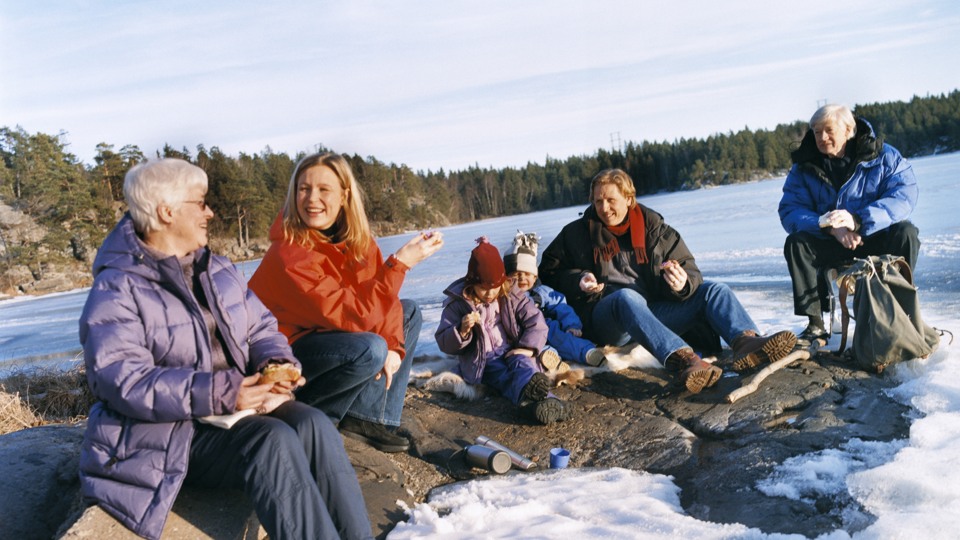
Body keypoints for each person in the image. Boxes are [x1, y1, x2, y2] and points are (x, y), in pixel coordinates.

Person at [78, 158, 371, 540]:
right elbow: (122, 382)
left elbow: (261, 327)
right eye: (200, 203)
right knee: (271, 441)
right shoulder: (116, 290)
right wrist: (223, 393)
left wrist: (275, 363)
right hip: (167, 437)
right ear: (167, 212)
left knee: (313, 425)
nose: (210, 212)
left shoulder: (215, 269)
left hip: (229, 415)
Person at [249, 152, 443, 453]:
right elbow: (355, 317)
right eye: (304, 188)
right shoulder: (290, 254)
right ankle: (319, 416)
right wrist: (400, 264)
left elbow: (381, 298)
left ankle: (371, 418)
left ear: (344, 196)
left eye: (324, 189)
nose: (312, 198)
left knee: (408, 313)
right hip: (285, 352)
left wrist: (395, 344)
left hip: (328, 333)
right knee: (370, 348)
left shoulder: (358, 241)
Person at [539, 168, 797, 393]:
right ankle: (684, 360)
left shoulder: (655, 229)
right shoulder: (576, 233)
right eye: (597, 202)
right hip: (607, 318)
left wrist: (682, 284)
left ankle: (746, 343)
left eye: (610, 200)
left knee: (714, 290)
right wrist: (578, 280)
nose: (603, 208)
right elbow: (548, 272)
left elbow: (691, 271)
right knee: (627, 297)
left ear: (629, 199)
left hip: (652, 312)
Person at [779, 103, 920, 343]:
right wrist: (826, 225)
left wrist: (859, 220)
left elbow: (904, 196)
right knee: (796, 243)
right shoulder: (803, 166)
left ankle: (900, 309)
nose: (822, 138)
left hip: (873, 236)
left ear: (849, 130)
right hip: (830, 241)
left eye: (828, 130)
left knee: (906, 232)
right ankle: (815, 324)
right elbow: (790, 210)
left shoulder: (884, 156)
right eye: (816, 132)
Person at [435, 237, 571, 424]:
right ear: (472, 283)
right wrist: (462, 331)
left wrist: (528, 348)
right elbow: (444, 342)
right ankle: (544, 402)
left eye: (494, 287)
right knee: (504, 377)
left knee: (524, 365)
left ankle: (540, 402)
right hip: (485, 360)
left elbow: (536, 321)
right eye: (483, 288)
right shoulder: (458, 305)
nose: (490, 293)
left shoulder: (511, 294)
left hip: (513, 349)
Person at [503, 230, 607, 368]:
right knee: (538, 349)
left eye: (527, 274)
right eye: (516, 274)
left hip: (546, 327)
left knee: (562, 338)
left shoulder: (541, 292)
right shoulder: (504, 296)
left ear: (534, 277)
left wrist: (572, 325)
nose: (522, 278)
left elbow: (561, 307)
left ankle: (587, 352)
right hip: (522, 334)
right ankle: (552, 359)